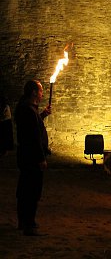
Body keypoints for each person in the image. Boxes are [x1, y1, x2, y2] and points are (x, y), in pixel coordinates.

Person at [14, 80, 51, 236]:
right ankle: (29, 224)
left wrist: (42, 114)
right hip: (32, 158)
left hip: (26, 157)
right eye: (41, 91)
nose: (42, 93)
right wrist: (41, 158)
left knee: (25, 189)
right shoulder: (28, 111)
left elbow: (32, 126)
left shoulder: (26, 109)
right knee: (32, 191)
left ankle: (24, 222)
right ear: (34, 92)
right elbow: (33, 137)